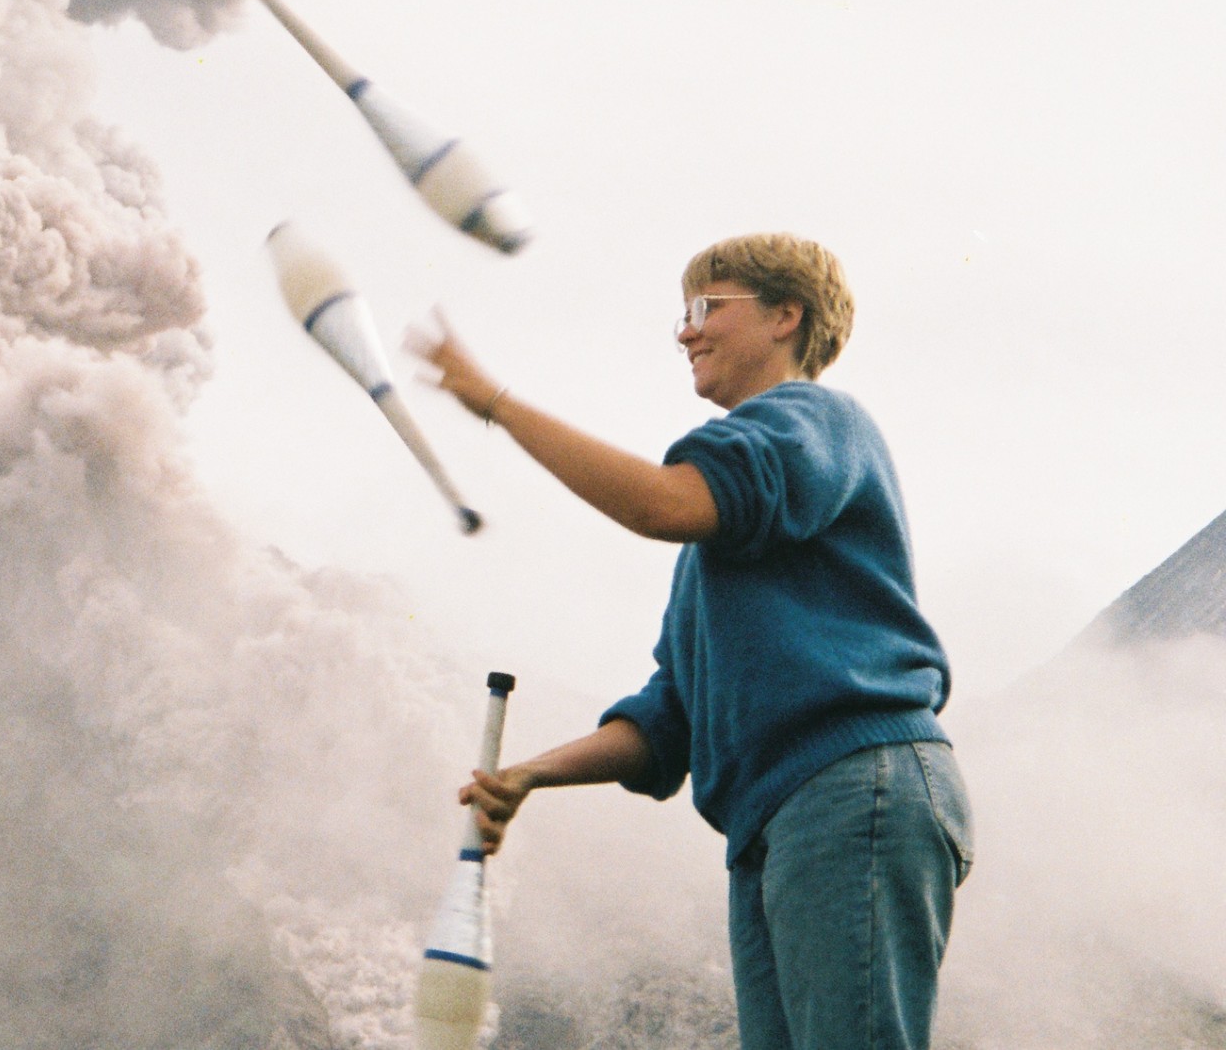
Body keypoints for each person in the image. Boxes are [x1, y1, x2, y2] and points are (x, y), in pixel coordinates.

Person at [408, 233, 972, 1050]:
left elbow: (658, 503)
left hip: (852, 788)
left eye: (708, 307)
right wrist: (529, 774)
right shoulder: (715, 556)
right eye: (683, 313)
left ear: (786, 314)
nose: (685, 331)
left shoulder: (816, 421)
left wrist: (496, 401)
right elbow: (665, 722)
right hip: (777, 820)